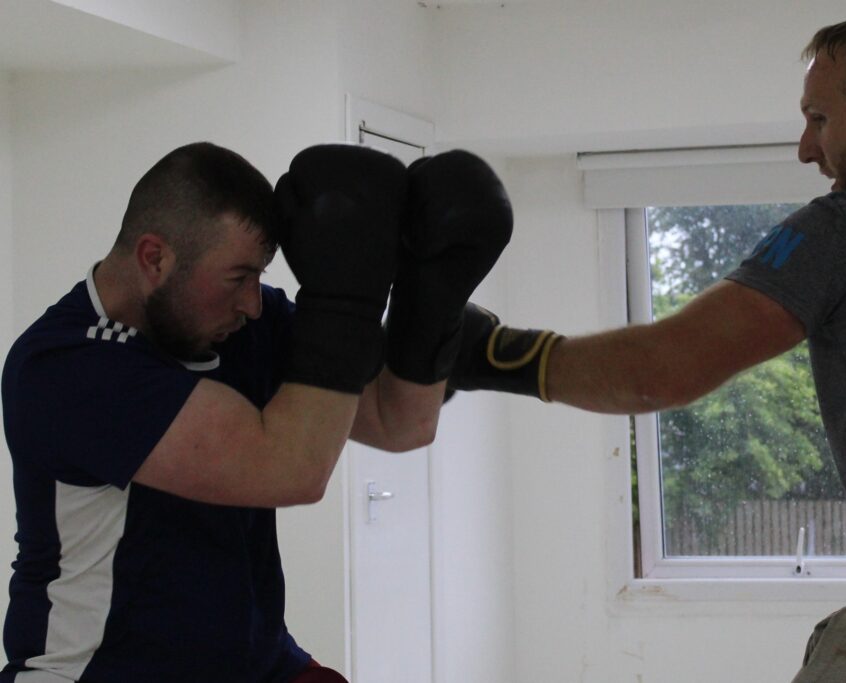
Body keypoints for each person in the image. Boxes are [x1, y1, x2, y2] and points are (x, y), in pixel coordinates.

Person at [446, 12, 846, 682]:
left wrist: (491, 352)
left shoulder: (844, 228)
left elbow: (662, 369)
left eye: (819, 119)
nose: (807, 149)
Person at [0, 141, 511, 682]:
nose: (252, 301)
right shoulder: (67, 365)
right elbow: (289, 469)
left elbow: (399, 421)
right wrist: (344, 299)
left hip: (255, 664)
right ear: (155, 258)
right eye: (238, 277)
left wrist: (432, 296)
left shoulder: (246, 324)